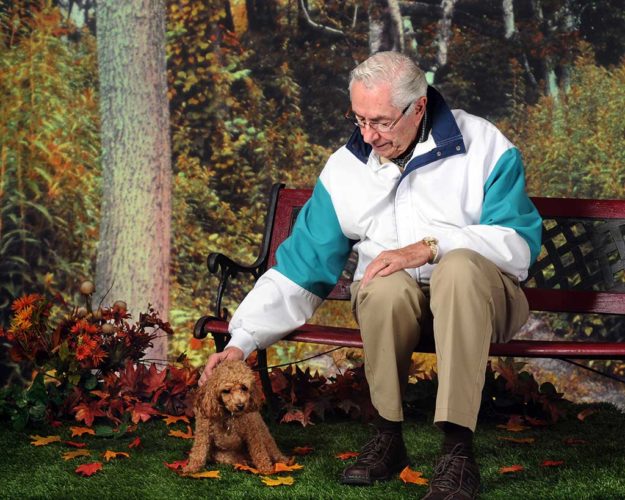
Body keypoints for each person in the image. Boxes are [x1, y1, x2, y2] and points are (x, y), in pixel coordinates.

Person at [199, 51, 542, 499]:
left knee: (456, 268)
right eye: (358, 118)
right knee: (381, 287)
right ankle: (387, 435)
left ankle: (457, 450)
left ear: (418, 107)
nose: (367, 135)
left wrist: (432, 246)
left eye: (379, 121)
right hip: (398, 305)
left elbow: (518, 247)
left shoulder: (484, 144)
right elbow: (300, 270)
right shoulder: (347, 167)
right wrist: (241, 342)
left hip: (482, 298)